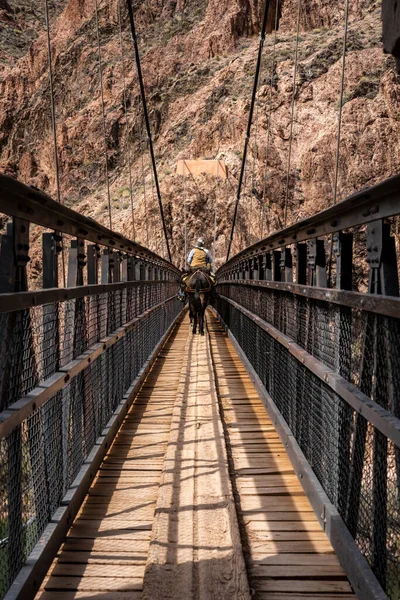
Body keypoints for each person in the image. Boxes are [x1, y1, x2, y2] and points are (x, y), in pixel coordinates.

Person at [178, 238, 216, 302]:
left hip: (193, 269)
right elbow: (210, 261)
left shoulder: (193, 250)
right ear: (203, 245)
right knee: (213, 279)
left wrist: (193, 263)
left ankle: (182, 294)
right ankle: (213, 295)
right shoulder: (206, 251)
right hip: (204, 269)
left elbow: (188, 260)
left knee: (183, 278)